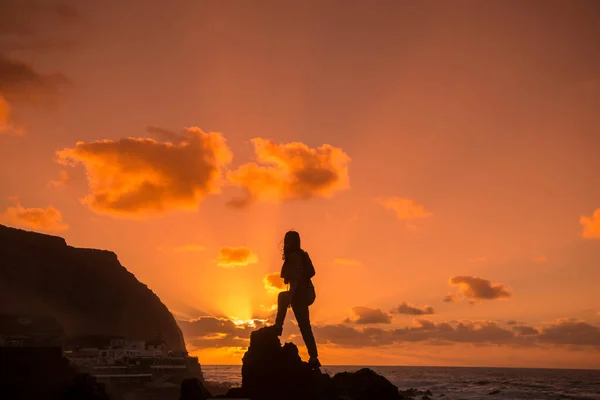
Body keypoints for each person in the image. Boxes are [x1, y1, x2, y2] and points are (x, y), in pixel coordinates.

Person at [273, 230, 320, 369]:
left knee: (282, 298)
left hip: (301, 294)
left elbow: (296, 279)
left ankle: (277, 327)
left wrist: (290, 296)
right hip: (305, 293)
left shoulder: (294, 257)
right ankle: (314, 357)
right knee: (305, 326)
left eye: (287, 241)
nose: (285, 243)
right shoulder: (300, 255)